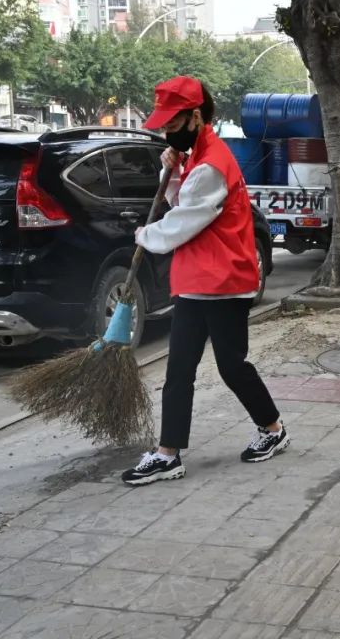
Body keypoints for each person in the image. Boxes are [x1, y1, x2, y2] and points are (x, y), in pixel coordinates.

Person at [121, 76, 290, 486]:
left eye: (172, 123)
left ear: (196, 116)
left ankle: (273, 430)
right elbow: (187, 200)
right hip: (197, 280)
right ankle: (168, 454)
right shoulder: (198, 154)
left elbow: (186, 218)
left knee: (232, 366)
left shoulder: (213, 161)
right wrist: (175, 173)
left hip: (225, 280)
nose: (167, 132)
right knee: (179, 369)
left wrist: (146, 236)